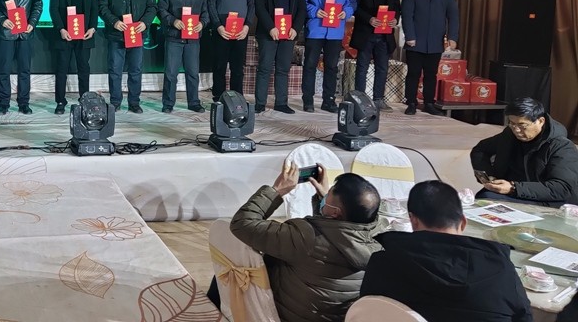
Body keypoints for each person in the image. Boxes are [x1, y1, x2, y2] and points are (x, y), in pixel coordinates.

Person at [360, 180, 533, 322]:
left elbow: (366, 312)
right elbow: (524, 317)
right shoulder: (501, 269)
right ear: (463, 222)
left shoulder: (383, 263)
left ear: (413, 220)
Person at [227, 164, 381, 322]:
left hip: (285, 316)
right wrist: (324, 202)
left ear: (336, 212)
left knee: (233, 265)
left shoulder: (304, 237)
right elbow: (335, 237)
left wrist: (277, 190)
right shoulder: (378, 243)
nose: (327, 193)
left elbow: (242, 223)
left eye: (330, 193)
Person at [471, 97, 578, 207]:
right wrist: (489, 177)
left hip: (547, 200)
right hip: (514, 192)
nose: (516, 130)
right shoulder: (509, 135)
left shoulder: (561, 147)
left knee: (489, 199)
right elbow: (480, 149)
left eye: (522, 125)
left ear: (540, 121)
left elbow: (562, 188)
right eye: (512, 123)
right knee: (484, 198)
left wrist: (514, 188)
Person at [98, 0, 157, 113]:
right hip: (117, 35)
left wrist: (145, 23)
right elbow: (102, 7)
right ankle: (115, 102)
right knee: (115, 70)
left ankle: (134, 102)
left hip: (136, 34)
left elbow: (152, 7)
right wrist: (114, 22)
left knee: (135, 70)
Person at [302, 0, 356, 113]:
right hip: (315, 30)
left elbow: (352, 2)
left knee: (332, 67)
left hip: (335, 32)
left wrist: (346, 12)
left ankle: (329, 100)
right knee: (310, 65)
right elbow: (301, 3)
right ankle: (308, 100)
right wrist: (314, 11)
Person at [402, 0, 459, 115]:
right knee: (413, 73)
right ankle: (411, 102)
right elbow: (407, 16)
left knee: (431, 75)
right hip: (415, 42)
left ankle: (429, 103)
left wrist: (453, 37)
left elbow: (453, 17)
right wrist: (410, 36)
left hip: (435, 42)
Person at [253, 0, 306, 114]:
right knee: (264, 68)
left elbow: (302, 8)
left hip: (288, 32)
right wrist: (270, 27)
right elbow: (259, 7)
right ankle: (260, 103)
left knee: (283, 68)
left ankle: (281, 103)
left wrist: (296, 28)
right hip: (268, 32)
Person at [350, 0, 403, 111]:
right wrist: (369, 19)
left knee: (382, 67)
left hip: (385, 33)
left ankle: (378, 99)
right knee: (362, 67)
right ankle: (359, 99)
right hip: (366, 32)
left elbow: (397, 7)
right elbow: (354, 6)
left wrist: (395, 19)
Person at [49, 0, 97, 115]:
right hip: (65, 34)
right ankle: (60, 101)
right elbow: (53, 8)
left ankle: (85, 100)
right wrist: (61, 29)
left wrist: (92, 27)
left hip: (84, 34)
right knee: (62, 69)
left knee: (84, 68)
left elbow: (94, 7)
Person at [158, 0, 208, 113]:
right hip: (174, 38)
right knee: (171, 73)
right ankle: (168, 104)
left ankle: (194, 102)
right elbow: (161, 10)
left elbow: (206, 13)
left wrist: (202, 23)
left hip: (192, 39)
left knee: (193, 73)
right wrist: (173, 21)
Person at [207, 0, 254, 100]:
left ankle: (237, 98)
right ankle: (218, 97)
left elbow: (251, 5)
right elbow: (211, 4)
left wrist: (247, 27)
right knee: (219, 66)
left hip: (241, 30)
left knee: (237, 68)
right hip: (221, 30)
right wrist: (218, 26)